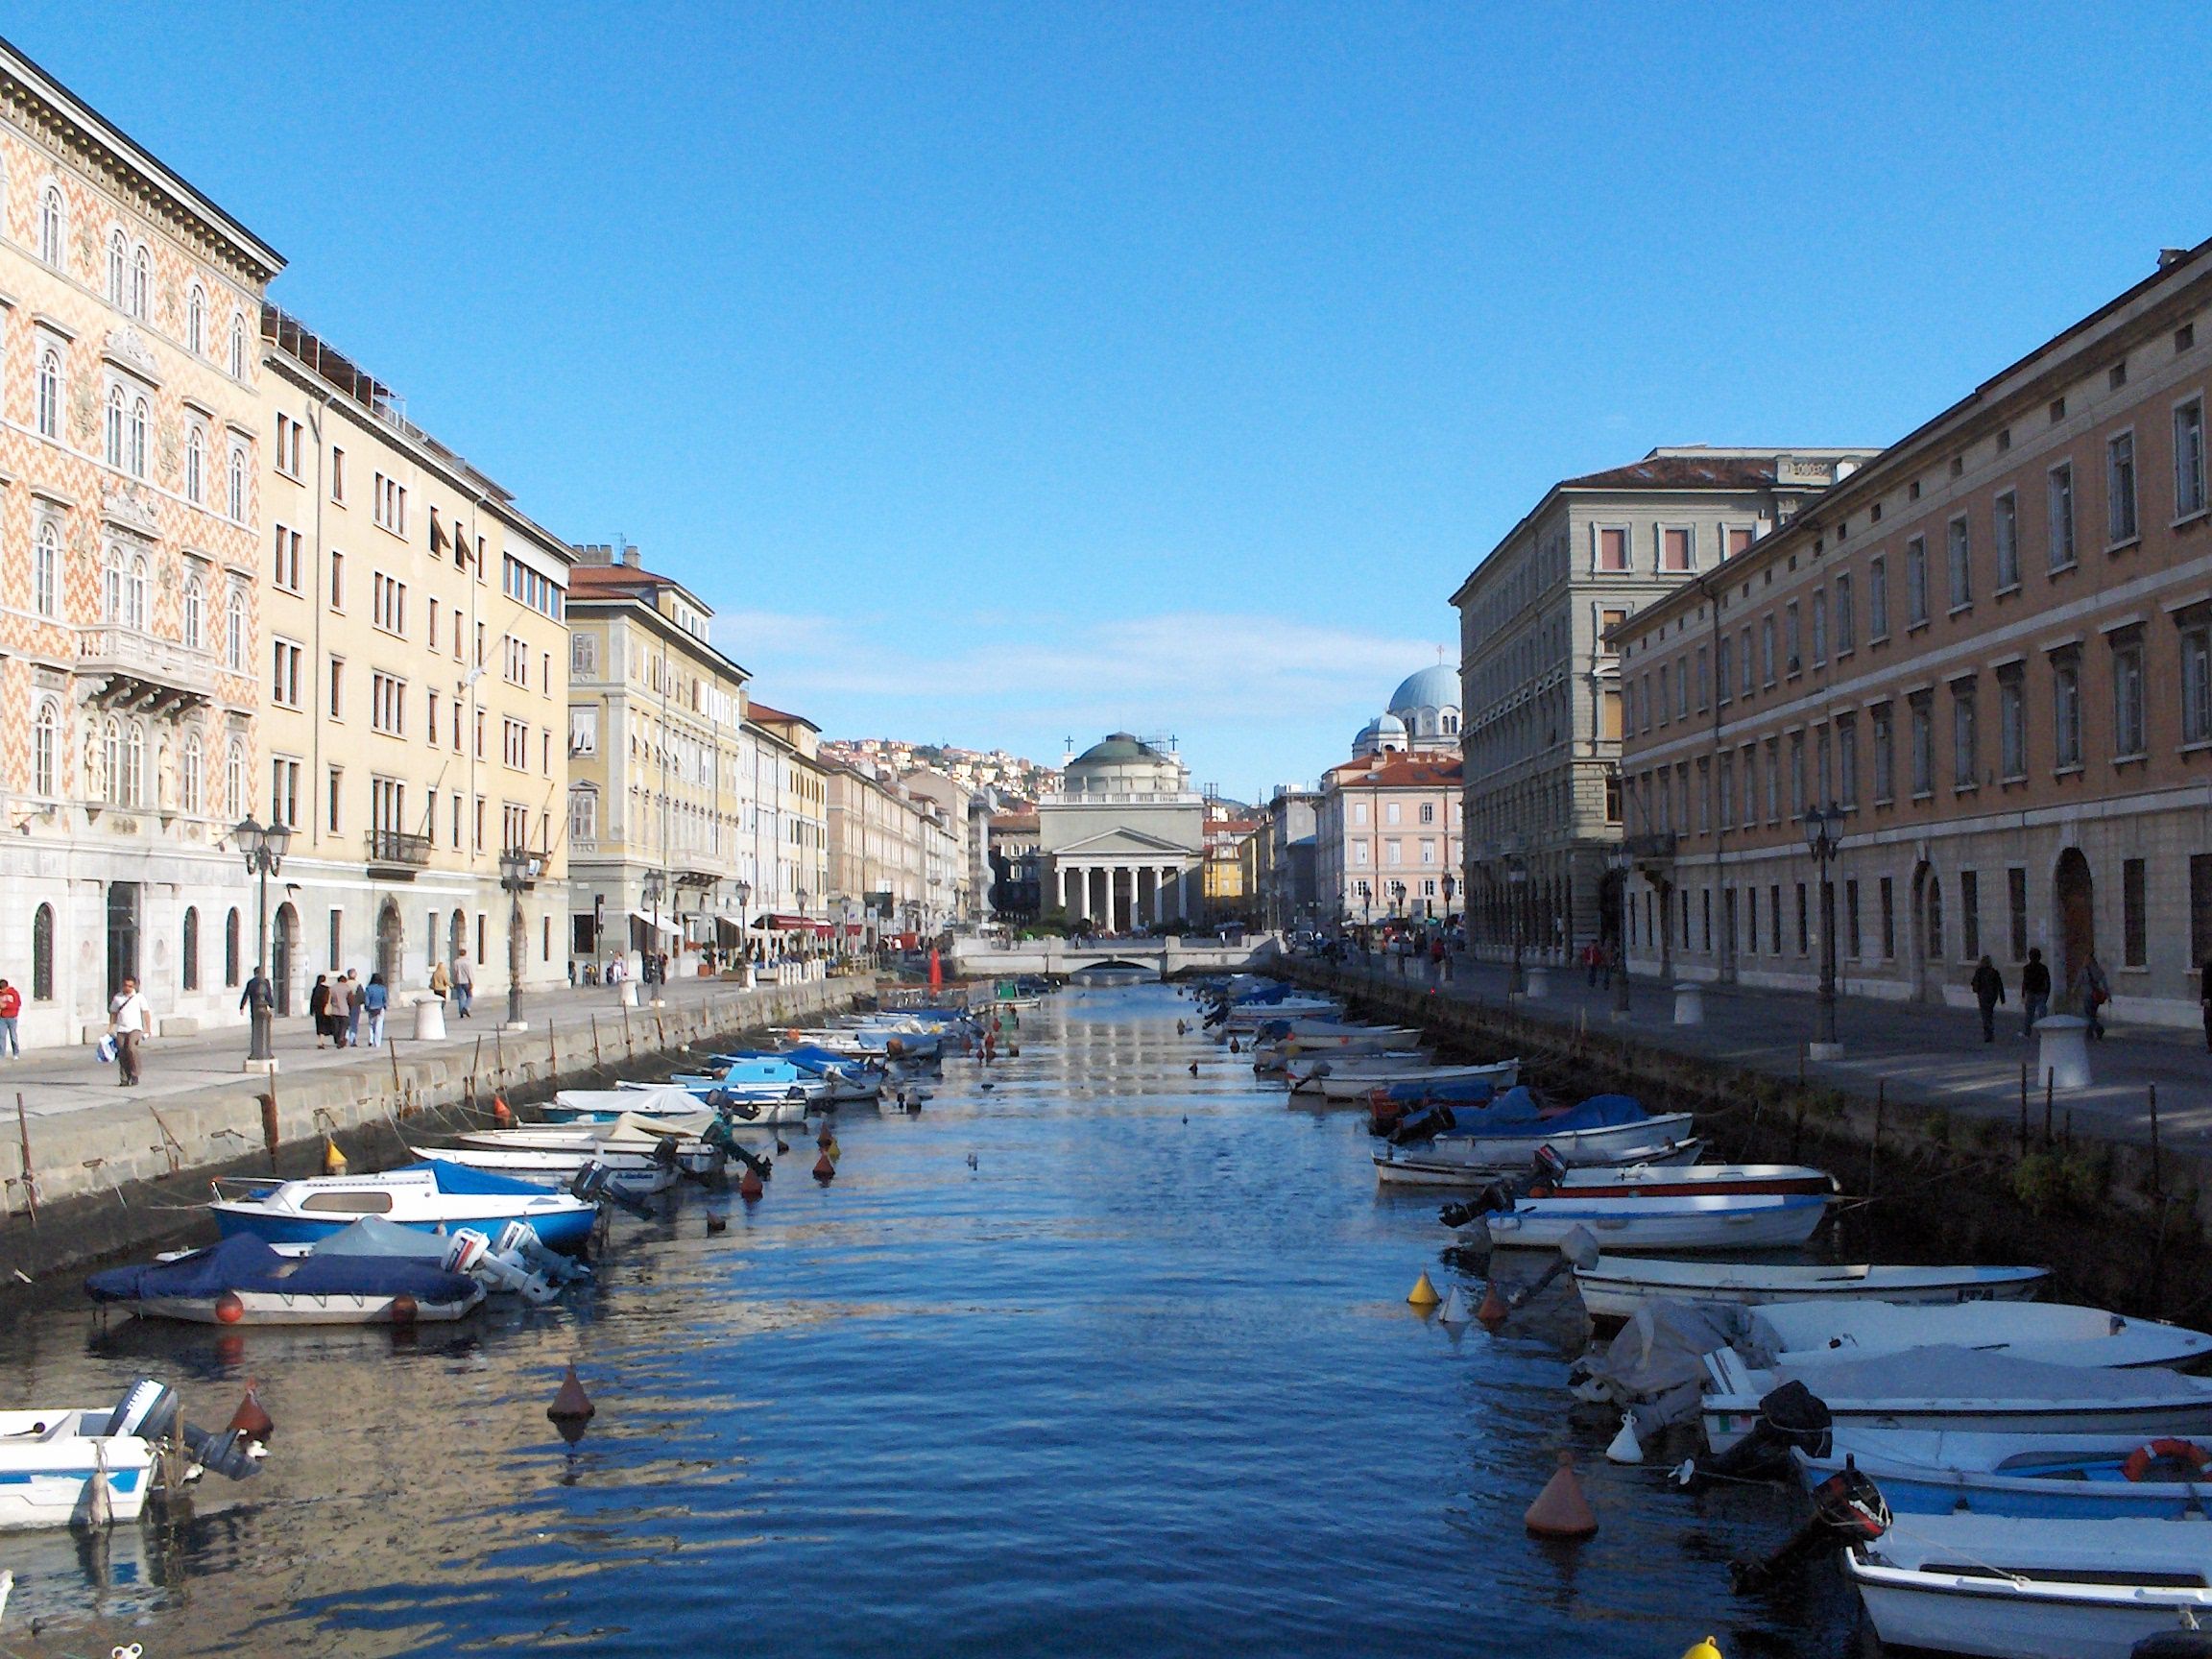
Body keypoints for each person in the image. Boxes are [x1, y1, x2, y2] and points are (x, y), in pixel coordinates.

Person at [109, 975, 150, 1087]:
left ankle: (135, 1073)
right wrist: (111, 1027)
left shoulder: (139, 997)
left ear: (134, 986)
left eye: (130, 986)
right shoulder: (118, 998)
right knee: (122, 1052)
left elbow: (146, 1013)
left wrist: (148, 1029)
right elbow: (114, 1013)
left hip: (135, 1028)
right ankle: (124, 1078)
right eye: (126, 985)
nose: (128, 988)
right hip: (121, 1028)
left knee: (131, 1048)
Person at [1970, 954, 2006, 1044]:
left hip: (1983, 996)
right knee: (1989, 1013)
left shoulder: (1979, 972)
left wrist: (1976, 989)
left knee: (1985, 1014)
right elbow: (2000, 985)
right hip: (1992, 996)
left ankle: (1988, 1033)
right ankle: (1990, 1031)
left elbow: (1974, 983)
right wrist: (2002, 998)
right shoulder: (1994, 972)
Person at [2076, 951, 2111, 1041]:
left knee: (2088, 1014)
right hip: (2097, 995)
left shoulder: (2083, 970)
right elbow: (2104, 983)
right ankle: (2089, 1032)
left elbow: (2078, 982)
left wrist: (2074, 990)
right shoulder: (2098, 970)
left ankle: (2098, 1028)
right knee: (2093, 1013)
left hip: (2087, 994)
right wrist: (2108, 995)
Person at [2020, 947, 2050, 1036]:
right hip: (2041, 992)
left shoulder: (2027, 968)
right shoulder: (2043, 968)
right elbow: (2047, 981)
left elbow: (2025, 981)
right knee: (2042, 1014)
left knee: (2029, 1015)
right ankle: (2043, 1032)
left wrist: (2023, 993)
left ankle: (2027, 1032)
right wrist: (2047, 993)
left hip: (2031, 992)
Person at [363, 973, 389, 1046]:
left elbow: (367, 1000)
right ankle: (377, 1042)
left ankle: (371, 1039)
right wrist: (385, 1006)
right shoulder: (382, 988)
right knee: (379, 1025)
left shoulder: (368, 988)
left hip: (371, 1008)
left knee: (371, 1025)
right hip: (380, 1008)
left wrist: (367, 1007)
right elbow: (385, 999)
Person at [309, 974, 333, 1047]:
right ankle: (321, 1041)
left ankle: (320, 1041)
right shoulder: (327, 989)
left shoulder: (315, 988)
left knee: (319, 1025)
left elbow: (312, 1000)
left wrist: (311, 1010)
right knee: (324, 1025)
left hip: (317, 1010)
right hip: (325, 1009)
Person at [345, 971, 366, 1047]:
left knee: (346, 1023)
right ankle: (352, 1040)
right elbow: (361, 996)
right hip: (355, 1006)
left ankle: (345, 1038)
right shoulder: (358, 984)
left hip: (345, 1005)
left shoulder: (345, 984)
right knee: (354, 1023)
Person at [451, 950, 474, 1020]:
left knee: (461, 997)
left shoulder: (456, 962)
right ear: (465, 954)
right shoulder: (467, 962)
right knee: (469, 996)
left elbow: (454, 973)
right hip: (466, 981)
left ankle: (461, 1011)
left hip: (458, 981)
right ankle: (466, 1007)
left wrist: (454, 981)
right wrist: (472, 982)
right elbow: (469, 973)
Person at [0, 978, 19, 1059]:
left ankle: (16, 1053)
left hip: (12, 1017)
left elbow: (17, 1004)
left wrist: (6, 1006)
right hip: (2, 1018)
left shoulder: (13, 993)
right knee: (1, 1035)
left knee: (13, 1036)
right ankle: (1, 1054)